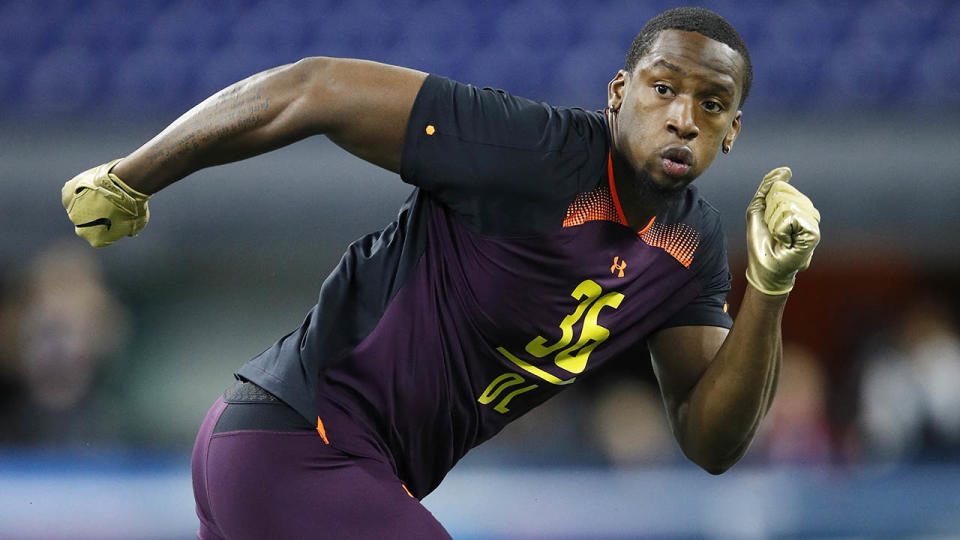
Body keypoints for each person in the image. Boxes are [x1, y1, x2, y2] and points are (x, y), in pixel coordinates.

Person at [60, 7, 820, 539]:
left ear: (733, 129)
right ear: (619, 94)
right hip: (297, 447)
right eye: (663, 88)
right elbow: (314, 86)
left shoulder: (691, 243)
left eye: (711, 103)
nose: (684, 116)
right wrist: (134, 177)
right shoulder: (533, 152)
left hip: (314, 468)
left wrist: (772, 286)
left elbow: (711, 441)